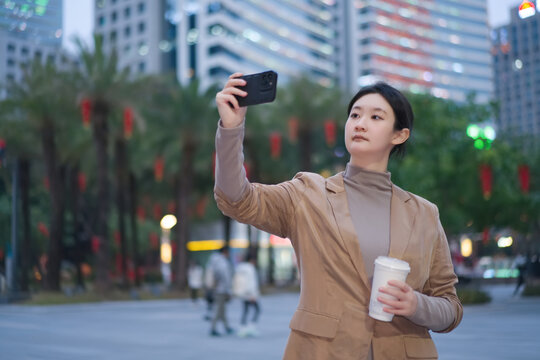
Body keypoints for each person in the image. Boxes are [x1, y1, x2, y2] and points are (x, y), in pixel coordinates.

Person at [214, 74, 463, 359]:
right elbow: (236, 199)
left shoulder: (424, 213)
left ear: (399, 134)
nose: (360, 122)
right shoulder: (308, 194)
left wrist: (416, 305)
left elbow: (450, 306)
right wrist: (231, 129)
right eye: (355, 114)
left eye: (376, 117)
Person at [233, 253, 261, 337]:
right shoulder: (250, 268)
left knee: (245, 310)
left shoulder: (240, 268)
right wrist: (253, 294)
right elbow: (251, 282)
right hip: (250, 294)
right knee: (257, 310)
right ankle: (251, 327)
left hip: (242, 293)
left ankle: (242, 328)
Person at [208, 246, 234, 336]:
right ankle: (213, 328)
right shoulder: (222, 263)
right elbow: (225, 277)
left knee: (222, 309)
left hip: (216, 288)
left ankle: (227, 327)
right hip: (221, 289)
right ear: (225, 252)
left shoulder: (214, 261)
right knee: (219, 309)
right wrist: (228, 289)